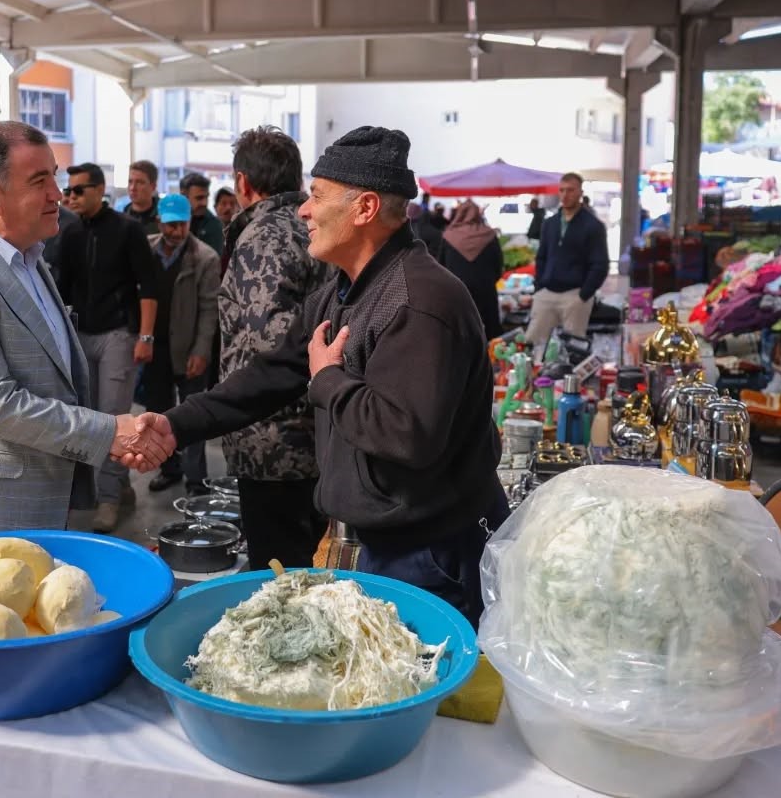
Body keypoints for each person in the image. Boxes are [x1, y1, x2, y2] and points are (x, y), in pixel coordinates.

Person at [130, 126, 509, 627]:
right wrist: (174, 425)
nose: (304, 211)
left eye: (317, 196)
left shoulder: (420, 301)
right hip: (381, 544)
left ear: (365, 208)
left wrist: (327, 379)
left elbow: (406, 435)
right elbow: (269, 375)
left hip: (431, 553)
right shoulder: (345, 289)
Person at [0, 122, 164, 542]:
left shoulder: (27, 255)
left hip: (37, 495)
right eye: (40, 181)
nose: (57, 195)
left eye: (56, 177)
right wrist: (107, 432)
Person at [208, 126, 330, 570]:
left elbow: (272, 344)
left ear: (243, 183)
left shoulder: (265, 236)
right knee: (310, 565)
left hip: (275, 441)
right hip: (311, 433)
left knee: (281, 574)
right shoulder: (308, 226)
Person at [57, 162, 160, 533]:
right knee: (88, 418)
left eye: (78, 190)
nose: (71, 197)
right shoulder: (68, 234)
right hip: (82, 336)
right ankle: (116, 487)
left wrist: (145, 337)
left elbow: (148, 285)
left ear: (99, 189)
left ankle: (108, 500)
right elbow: (61, 292)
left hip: (119, 335)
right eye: (68, 190)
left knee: (115, 418)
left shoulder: (127, 231)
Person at [144, 194, 219, 495]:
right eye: (171, 224)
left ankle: (196, 480)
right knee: (158, 412)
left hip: (188, 348)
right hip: (155, 348)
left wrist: (201, 350)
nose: (176, 231)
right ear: (160, 221)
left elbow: (209, 308)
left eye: (182, 224)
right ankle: (169, 469)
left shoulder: (205, 258)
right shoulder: (147, 250)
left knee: (192, 416)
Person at [527, 172, 609, 353]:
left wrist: (583, 295)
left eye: (570, 190)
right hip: (547, 293)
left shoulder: (593, 225)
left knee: (573, 349)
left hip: (575, 295)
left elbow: (600, 264)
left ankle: (568, 381)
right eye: (562, 190)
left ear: (580, 192)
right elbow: (541, 257)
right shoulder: (550, 223)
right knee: (533, 345)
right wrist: (539, 287)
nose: (565, 195)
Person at [437, 200, 504, 341]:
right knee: (491, 334)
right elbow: (498, 265)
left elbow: (440, 267)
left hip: (457, 293)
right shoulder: (489, 235)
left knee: (460, 334)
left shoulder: (448, 237)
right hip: (486, 291)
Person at [180, 171, 224, 255]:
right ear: (183, 196)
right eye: (199, 198)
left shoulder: (214, 224)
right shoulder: (171, 219)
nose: (205, 203)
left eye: (206, 197)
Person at [125, 160, 161, 236]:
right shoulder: (122, 218)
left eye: (139, 182)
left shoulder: (164, 217)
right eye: (130, 182)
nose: (132, 188)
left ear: (153, 186)